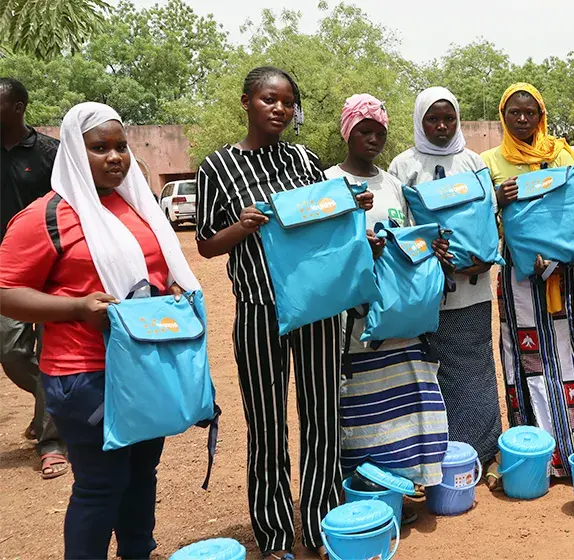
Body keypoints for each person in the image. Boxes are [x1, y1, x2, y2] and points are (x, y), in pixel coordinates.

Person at [0, 102, 201, 559]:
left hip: (147, 367)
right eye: (99, 148)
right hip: (85, 376)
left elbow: (159, 269)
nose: (115, 157)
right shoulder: (46, 217)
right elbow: (5, 290)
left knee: (140, 476)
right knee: (100, 486)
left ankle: (137, 552)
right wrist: (75, 308)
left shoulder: (138, 207)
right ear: (74, 151)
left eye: (120, 147)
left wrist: (170, 288)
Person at [195, 67, 372, 559]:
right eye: (269, 99)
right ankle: (274, 536)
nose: (279, 108)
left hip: (315, 307)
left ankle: (319, 524)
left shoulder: (305, 159)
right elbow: (206, 244)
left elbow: (325, 223)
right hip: (257, 310)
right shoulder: (218, 167)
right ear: (247, 101)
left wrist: (353, 205)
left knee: (323, 416)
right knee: (267, 424)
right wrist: (243, 225)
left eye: (288, 102)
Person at [328, 94, 451, 517]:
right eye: (364, 131)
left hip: (401, 314)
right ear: (347, 133)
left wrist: (427, 244)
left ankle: (407, 483)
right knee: (362, 406)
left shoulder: (393, 184)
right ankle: (366, 488)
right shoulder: (328, 182)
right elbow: (321, 249)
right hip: (354, 320)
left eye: (379, 132)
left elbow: (410, 238)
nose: (372, 139)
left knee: (409, 399)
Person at [480, 83, 574, 478]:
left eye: (530, 112)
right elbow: (481, 220)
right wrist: (497, 199)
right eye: (514, 112)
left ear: (541, 114)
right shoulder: (490, 161)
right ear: (503, 115)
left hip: (559, 275)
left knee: (566, 355)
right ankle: (536, 452)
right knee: (525, 359)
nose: (522, 119)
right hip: (517, 275)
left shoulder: (563, 153)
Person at [388, 87, 504, 483]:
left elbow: (488, 217)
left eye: (448, 119)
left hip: (473, 289)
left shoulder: (472, 161)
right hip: (425, 294)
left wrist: (482, 257)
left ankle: (484, 453)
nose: (441, 126)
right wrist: (427, 249)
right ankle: (438, 458)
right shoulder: (403, 165)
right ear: (420, 121)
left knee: (475, 370)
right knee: (428, 375)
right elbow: (398, 224)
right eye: (432, 119)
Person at [0, 77, 67, 479]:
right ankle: (53, 403)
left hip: (53, 267)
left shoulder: (50, 154)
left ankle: (52, 441)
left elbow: (69, 203)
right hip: (6, 274)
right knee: (11, 351)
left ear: (19, 107)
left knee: (52, 351)